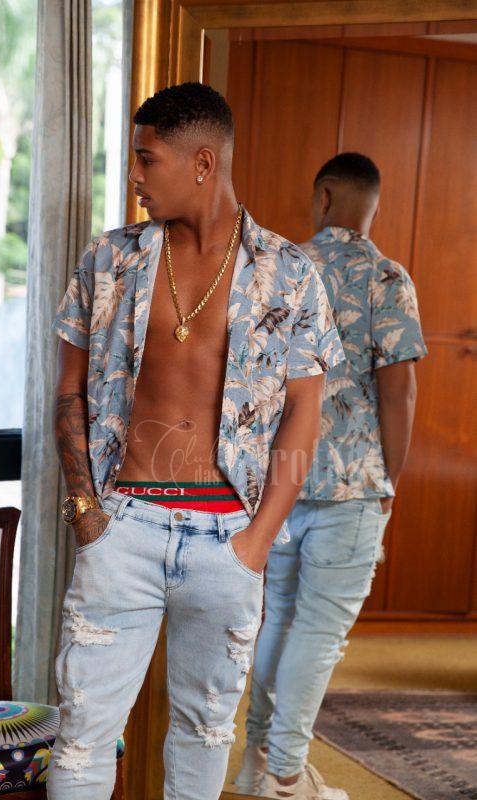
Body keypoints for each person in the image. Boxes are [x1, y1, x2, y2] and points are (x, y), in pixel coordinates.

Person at [45, 82, 345, 800]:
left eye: (146, 159)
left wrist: (257, 542)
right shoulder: (109, 259)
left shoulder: (289, 274)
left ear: (202, 163)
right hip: (122, 530)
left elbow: (305, 414)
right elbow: (68, 392)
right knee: (82, 737)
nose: (134, 176)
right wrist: (86, 513)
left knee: (205, 734)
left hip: (227, 541)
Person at [234, 152, 428, 799]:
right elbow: (398, 391)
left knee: (280, 619)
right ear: (372, 206)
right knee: (318, 632)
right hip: (352, 483)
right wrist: (389, 480)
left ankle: (257, 762)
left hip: (280, 480)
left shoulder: (278, 268)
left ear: (322, 197)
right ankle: (289, 775)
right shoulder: (386, 277)